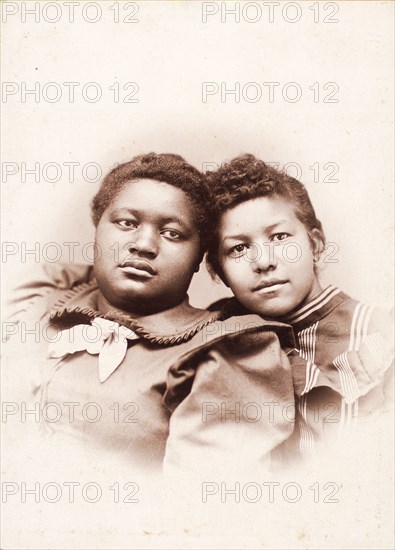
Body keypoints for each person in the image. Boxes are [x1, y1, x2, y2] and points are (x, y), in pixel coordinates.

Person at [2, 152, 296, 479]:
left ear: (199, 256)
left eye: (172, 233)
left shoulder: (224, 353)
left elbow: (198, 510)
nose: (143, 244)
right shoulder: (38, 302)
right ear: (98, 229)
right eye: (126, 223)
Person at [206, 154, 394, 462]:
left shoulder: (380, 332)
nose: (264, 262)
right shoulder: (220, 340)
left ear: (315, 244)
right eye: (239, 248)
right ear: (219, 272)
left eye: (279, 237)